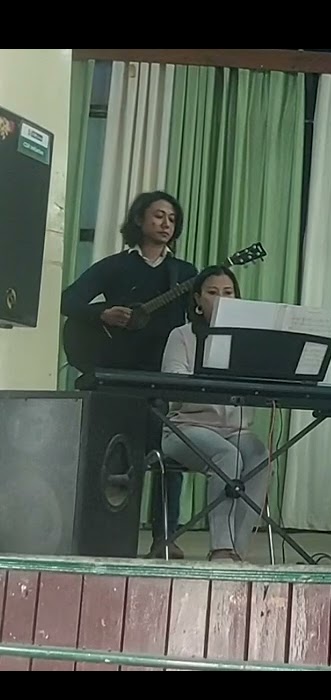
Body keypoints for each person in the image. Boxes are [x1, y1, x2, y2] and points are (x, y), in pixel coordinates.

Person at [61, 190, 198, 560]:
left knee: (168, 458)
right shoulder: (114, 266)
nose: (166, 224)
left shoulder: (184, 274)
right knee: (108, 456)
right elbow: (69, 300)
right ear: (139, 220)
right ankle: (99, 534)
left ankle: (163, 538)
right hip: (115, 374)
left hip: (162, 376)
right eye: (158, 216)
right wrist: (102, 313)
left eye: (172, 219)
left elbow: (202, 317)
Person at [158, 265, 270, 562]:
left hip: (235, 429)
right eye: (212, 292)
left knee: (259, 455)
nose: (221, 298)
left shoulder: (246, 339)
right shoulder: (181, 335)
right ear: (197, 299)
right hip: (187, 427)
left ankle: (238, 548)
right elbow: (173, 382)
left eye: (228, 293)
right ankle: (221, 547)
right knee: (228, 457)